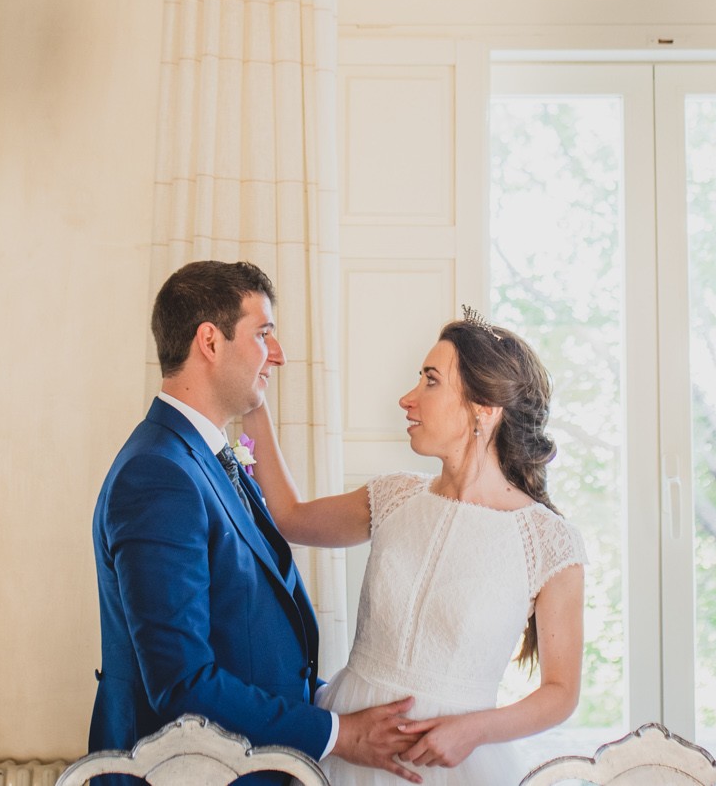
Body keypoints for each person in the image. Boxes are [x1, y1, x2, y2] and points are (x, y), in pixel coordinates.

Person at [90, 260, 423, 784]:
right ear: (210, 341)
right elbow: (182, 682)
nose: (279, 354)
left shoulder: (202, 457)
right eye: (263, 333)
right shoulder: (158, 474)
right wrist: (340, 733)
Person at [243, 311, 588, 786]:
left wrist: (473, 730)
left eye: (431, 382)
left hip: (453, 767)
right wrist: (252, 403)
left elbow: (561, 691)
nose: (407, 399)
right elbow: (289, 517)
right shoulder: (393, 496)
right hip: (347, 749)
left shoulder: (549, 541)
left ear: (483, 408)